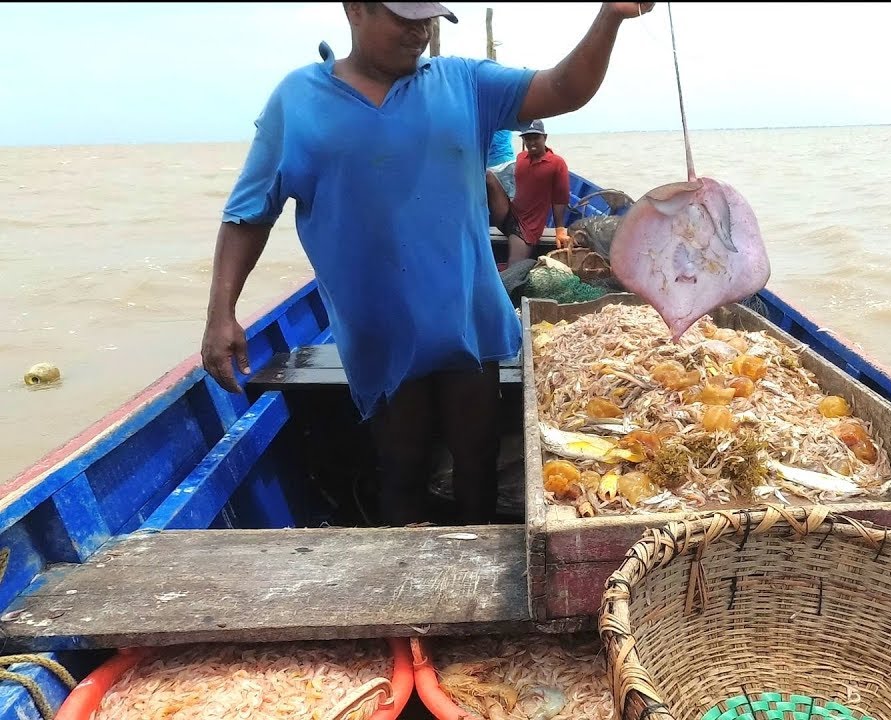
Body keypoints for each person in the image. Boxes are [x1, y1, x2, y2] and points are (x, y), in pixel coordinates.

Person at [200, 1, 655, 527]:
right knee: (401, 465)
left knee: (478, 459)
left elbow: (563, 88)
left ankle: (481, 575)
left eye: (428, 19)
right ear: (354, 9)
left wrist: (611, 16)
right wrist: (221, 312)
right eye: (404, 17)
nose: (420, 32)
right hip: (380, 333)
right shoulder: (298, 101)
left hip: (468, 322)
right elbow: (248, 215)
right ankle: (407, 577)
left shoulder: (465, 82)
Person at [508, 120, 572, 264]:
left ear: (545, 137)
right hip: (510, 215)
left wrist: (560, 228)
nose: (531, 142)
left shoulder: (557, 163)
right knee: (489, 178)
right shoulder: (520, 157)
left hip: (528, 226)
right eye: (527, 138)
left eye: (535, 137)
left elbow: (560, 199)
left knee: (514, 265)